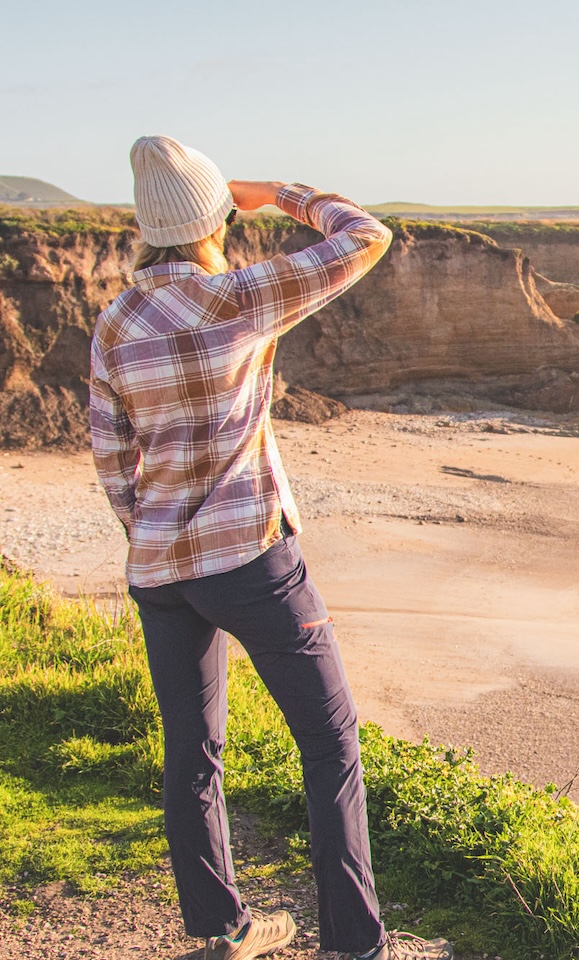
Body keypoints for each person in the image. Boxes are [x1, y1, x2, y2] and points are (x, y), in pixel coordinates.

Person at [89, 135, 453, 960]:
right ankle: (355, 945)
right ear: (215, 215)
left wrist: (153, 535)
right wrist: (279, 192)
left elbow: (112, 458)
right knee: (329, 744)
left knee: (193, 752)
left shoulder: (114, 322)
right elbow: (366, 235)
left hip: (159, 568)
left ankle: (223, 931)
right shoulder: (240, 297)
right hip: (252, 558)